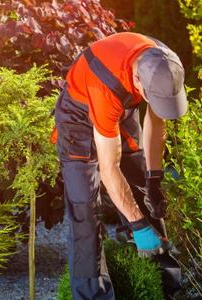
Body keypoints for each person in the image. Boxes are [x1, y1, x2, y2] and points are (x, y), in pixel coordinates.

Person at [53, 32, 187, 299]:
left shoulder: (164, 64)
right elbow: (109, 168)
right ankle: (94, 295)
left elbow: (156, 122)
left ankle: (166, 289)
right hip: (78, 118)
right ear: (138, 81)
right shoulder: (104, 87)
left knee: (143, 192)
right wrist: (138, 225)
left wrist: (154, 178)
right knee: (85, 212)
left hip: (120, 108)